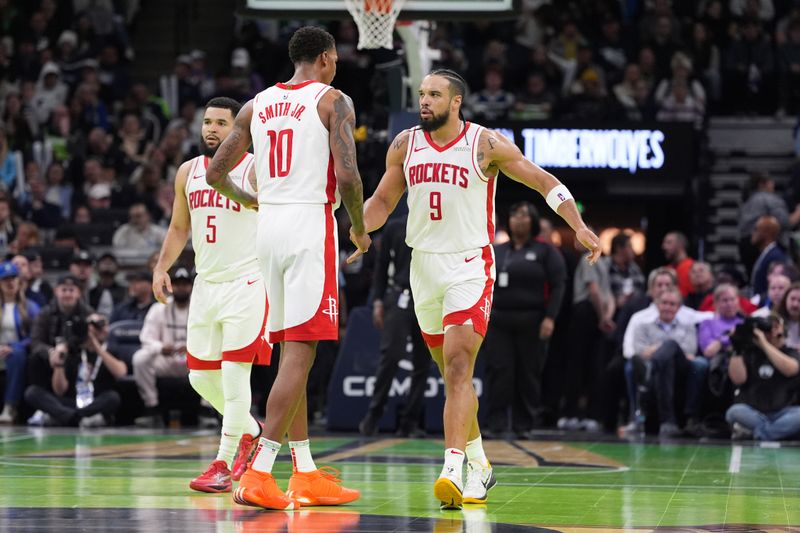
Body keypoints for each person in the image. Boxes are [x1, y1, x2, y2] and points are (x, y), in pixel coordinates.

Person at [349, 68, 600, 508]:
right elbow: (383, 203)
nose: (424, 101)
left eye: (434, 95)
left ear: (456, 101)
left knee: (460, 364)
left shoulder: (486, 144)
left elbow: (543, 181)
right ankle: (480, 464)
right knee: (452, 376)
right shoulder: (404, 144)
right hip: (422, 266)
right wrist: (355, 227)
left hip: (469, 265)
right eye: (422, 94)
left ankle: (451, 468)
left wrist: (576, 224)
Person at [206, 26, 367, 510]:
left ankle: (305, 471)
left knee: (288, 353)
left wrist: (250, 200)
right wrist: (359, 228)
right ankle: (258, 472)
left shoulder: (255, 104)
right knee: (301, 353)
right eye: (335, 59)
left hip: (269, 228)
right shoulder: (332, 101)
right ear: (324, 58)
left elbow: (215, 172)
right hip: (308, 225)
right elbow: (348, 175)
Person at [152, 97, 271, 493]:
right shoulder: (187, 172)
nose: (211, 129)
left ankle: (222, 462)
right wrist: (161, 267)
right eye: (207, 122)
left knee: (236, 376)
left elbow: (271, 216)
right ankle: (252, 430)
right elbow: (178, 228)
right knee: (200, 377)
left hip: (247, 282)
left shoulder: (257, 168)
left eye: (221, 123)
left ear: (240, 130)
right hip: (207, 284)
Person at [483, 201, 566, 438]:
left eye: (523, 215)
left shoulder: (545, 251)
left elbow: (559, 285)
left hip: (532, 319)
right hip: (499, 319)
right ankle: (496, 423)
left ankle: (524, 425)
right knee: (499, 370)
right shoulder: (498, 250)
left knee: (528, 372)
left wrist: (550, 318)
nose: (518, 219)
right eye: (513, 215)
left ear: (534, 221)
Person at [358, 213, 429, 438]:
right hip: (401, 295)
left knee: (424, 362)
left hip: (430, 297)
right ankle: (374, 414)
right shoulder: (396, 226)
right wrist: (378, 299)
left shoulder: (437, 222)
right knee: (391, 355)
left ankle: (410, 421)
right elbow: (382, 265)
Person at [25, 311, 125, 427]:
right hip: (71, 401)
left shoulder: (110, 349)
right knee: (32, 392)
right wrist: (59, 365)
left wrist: (96, 345)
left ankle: (64, 417)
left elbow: (121, 372)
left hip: (95, 401)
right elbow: (60, 390)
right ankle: (77, 418)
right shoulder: (73, 350)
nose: (96, 329)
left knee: (113, 397)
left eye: (101, 324)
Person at [630, 287, 706, 437]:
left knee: (671, 346)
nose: (668, 307)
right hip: (664, 369)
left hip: (681, 367)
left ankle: (649, 374)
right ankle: (668, 421)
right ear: (657, 305)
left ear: (678, 308)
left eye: (672, 304)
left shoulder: (687, 326)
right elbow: (639, 352)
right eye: (664, 303)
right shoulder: (643, 326)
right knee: (666, 360)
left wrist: (661, 347)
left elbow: (689, 352)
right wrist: (664, 348)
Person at [132, 266, 193, 428]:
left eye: (185, 284)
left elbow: (211, 338)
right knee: (140, 359)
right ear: (171, 286)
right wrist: (161, 348)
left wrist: (192, 348)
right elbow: (145, 338)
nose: (181, 288)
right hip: (166, 358)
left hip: (192, 360)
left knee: (218, 357)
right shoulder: (159, 308)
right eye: (178, 284)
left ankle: (207, 411)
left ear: (191, 287)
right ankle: (152, 408)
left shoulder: (201, 308)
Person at [726, 314, 800, 440]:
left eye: (776, 326)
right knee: (733, 412)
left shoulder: (790, 352)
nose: (770, 331)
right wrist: (737, 347)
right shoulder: (750, 352)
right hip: (754, 412)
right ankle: (776, 432)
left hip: (784, 412)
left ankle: (760, 433)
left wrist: (764, 344)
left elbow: (791, 370)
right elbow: (738, 379)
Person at [0, 262, 40, 424]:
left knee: (16, 355)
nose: (10, 283)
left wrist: (15, 346)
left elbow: (36, 335)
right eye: (5, 280)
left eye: (13, 279)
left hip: (18, 353)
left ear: (19, 281)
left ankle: (10, 406)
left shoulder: (30, 307)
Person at [750, 215, 788, 300]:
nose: (752, 233)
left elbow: (777, 285)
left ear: (766, 232)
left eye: (756, 229)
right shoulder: (767, 253)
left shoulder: (775, 256)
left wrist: (759, 300)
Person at [661, 231, 694, 297]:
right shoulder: (666, 270)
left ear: (680, 245)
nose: (664, 247)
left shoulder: (693, 268)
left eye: (669, 243)